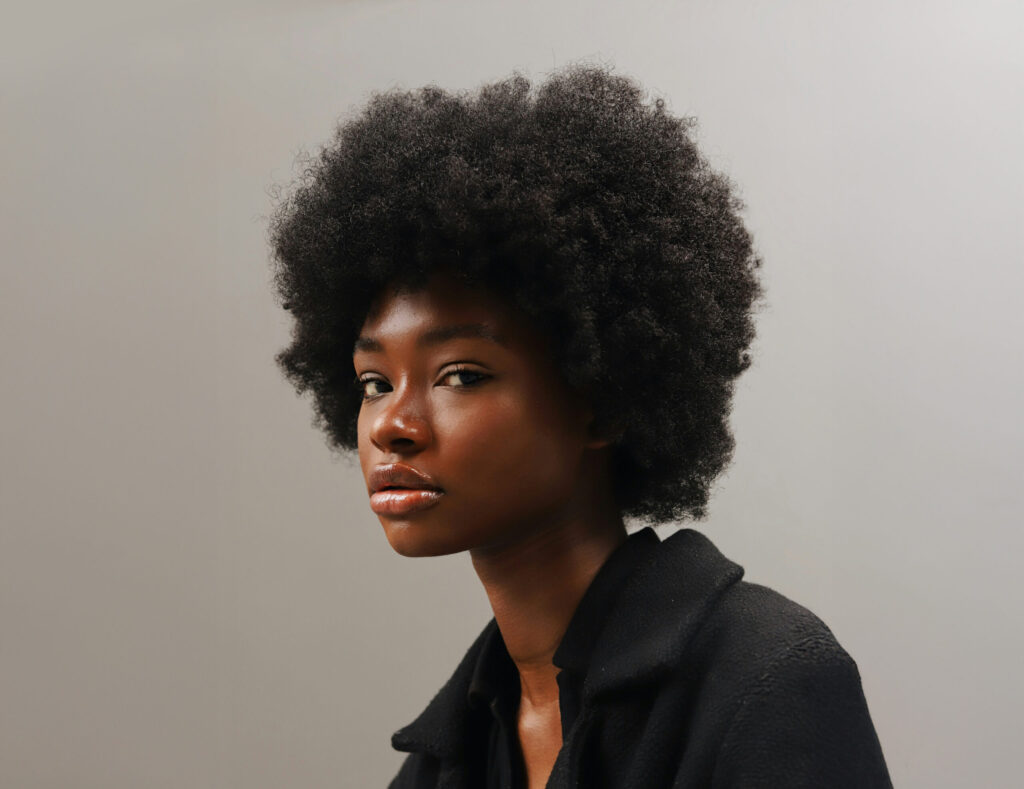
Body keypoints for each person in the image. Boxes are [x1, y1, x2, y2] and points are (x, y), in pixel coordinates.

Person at [269, 65, 892, 788]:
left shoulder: (766, 681)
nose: (392, 426)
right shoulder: (448, 759)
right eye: (375, 383)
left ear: (599, 399)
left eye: (461, 375)